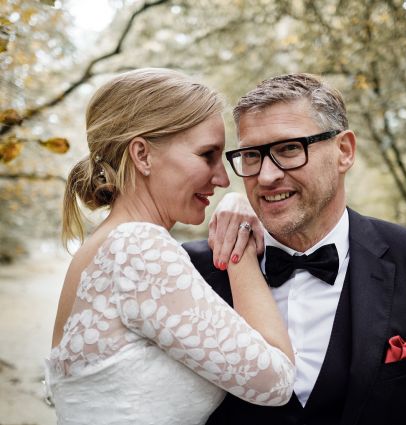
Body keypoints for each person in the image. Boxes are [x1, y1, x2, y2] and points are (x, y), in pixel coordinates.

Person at [183, 73, 406, 424]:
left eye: (289, 149)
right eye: (252, 155)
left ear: (344, 151)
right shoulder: (192, 271)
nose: (266, 176)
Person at [45, 68, 296, 424]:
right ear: (142, 155)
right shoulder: (137, 246)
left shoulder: (101, 247)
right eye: (207, 155)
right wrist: (238, 246)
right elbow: (276, 381)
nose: (223, 179)